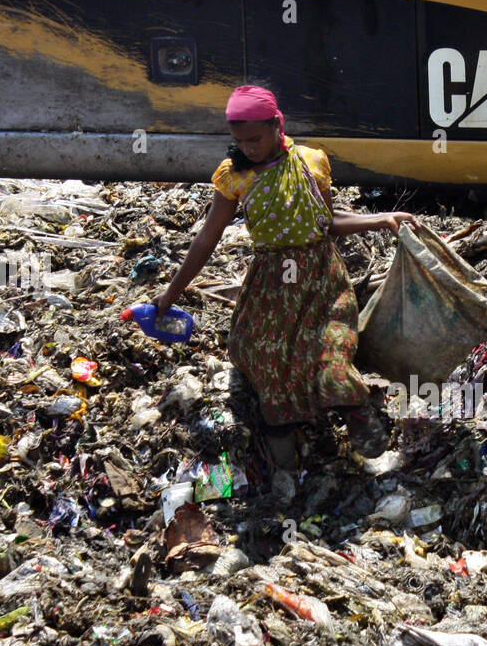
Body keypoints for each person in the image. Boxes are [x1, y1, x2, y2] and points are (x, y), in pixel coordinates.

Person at [152, 85, 414, 467]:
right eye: (239, 141)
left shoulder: (311, 162)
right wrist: (171, 294)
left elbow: (325, 224)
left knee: (332, 363)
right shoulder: (233, 177)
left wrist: (380, 219)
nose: (248, 148)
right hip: (270, 290)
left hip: (322, 284)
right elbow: (207, 238)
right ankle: (287, 467)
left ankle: (357, 409)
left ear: (278, 124)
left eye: (255, 138)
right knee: (266, 366)